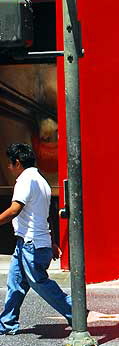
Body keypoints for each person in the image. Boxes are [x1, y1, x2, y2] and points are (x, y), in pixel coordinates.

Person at [0, 143, 72, 335]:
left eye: (10, 163)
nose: (9, 167)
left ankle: (76, 312)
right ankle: (7, 323)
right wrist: (53, 241)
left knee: (40, 283)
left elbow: (15, 210)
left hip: (31, 244)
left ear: (17, 163)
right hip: (29, 242)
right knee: (15, 282)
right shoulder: (41, 181)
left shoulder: (26, 181)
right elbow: (46, 215)